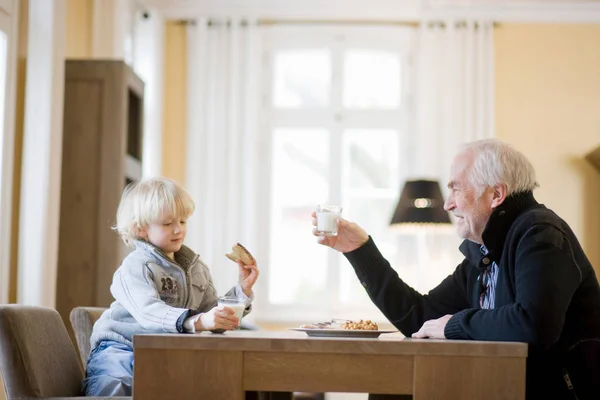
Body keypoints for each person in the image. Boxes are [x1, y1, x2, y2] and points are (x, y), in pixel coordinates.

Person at [312, 139, 600, 399]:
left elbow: (534, 324)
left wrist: (453, 325)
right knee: (392, 385)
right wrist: (361, 251)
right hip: (499, 386)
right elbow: (419, 319)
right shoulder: (485, 252)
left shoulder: (539, 234)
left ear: (496, 194)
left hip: (555, 393)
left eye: (456, 189)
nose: (448, 204)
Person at [84, 177, 259, 396]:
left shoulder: (197, 268)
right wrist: (198, 320)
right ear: (140, 229)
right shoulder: (135, 266)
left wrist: (242, 291)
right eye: (168, 224)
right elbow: (149, 312)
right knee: (117, 386)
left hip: (168, 350)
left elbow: (211, 314)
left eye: (183, 222)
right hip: (123, 347)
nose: (178, 230)